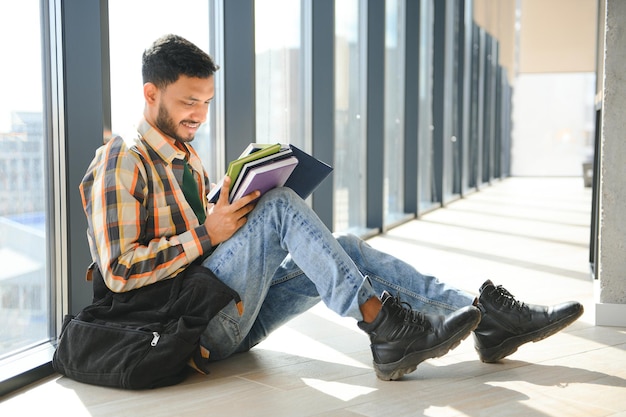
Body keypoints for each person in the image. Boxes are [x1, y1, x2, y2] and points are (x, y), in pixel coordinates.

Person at [79, 34, 583, 381]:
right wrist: (209, 233)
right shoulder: (121, 160)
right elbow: (120, 269)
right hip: (181, 329)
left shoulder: (187, 160)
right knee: (279, 207)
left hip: (223, 313)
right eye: (190, 101)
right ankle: (383, 328)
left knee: (342, 247)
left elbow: (203, 248)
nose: (200, 115)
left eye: (207, 102)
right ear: (151, 93)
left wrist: (227, 213)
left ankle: (481, 315)